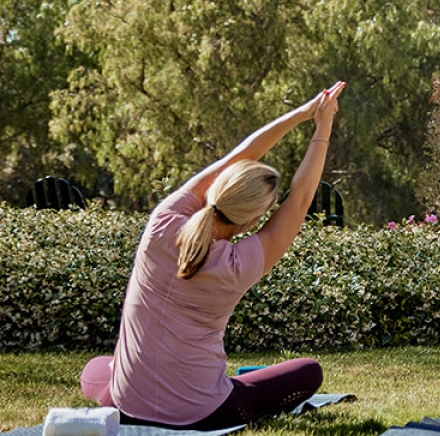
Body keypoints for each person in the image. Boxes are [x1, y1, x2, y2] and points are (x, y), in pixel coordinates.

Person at [78, 82, 348, 429]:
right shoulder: (238, 265)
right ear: (253, 220)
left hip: (128, 404)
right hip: (206, 414)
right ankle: (232, 384)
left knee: (98, 369)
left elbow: (238, 157)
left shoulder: (162, 223)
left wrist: (301, 113)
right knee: (309, 372)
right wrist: (322, 127)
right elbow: (300, 199)